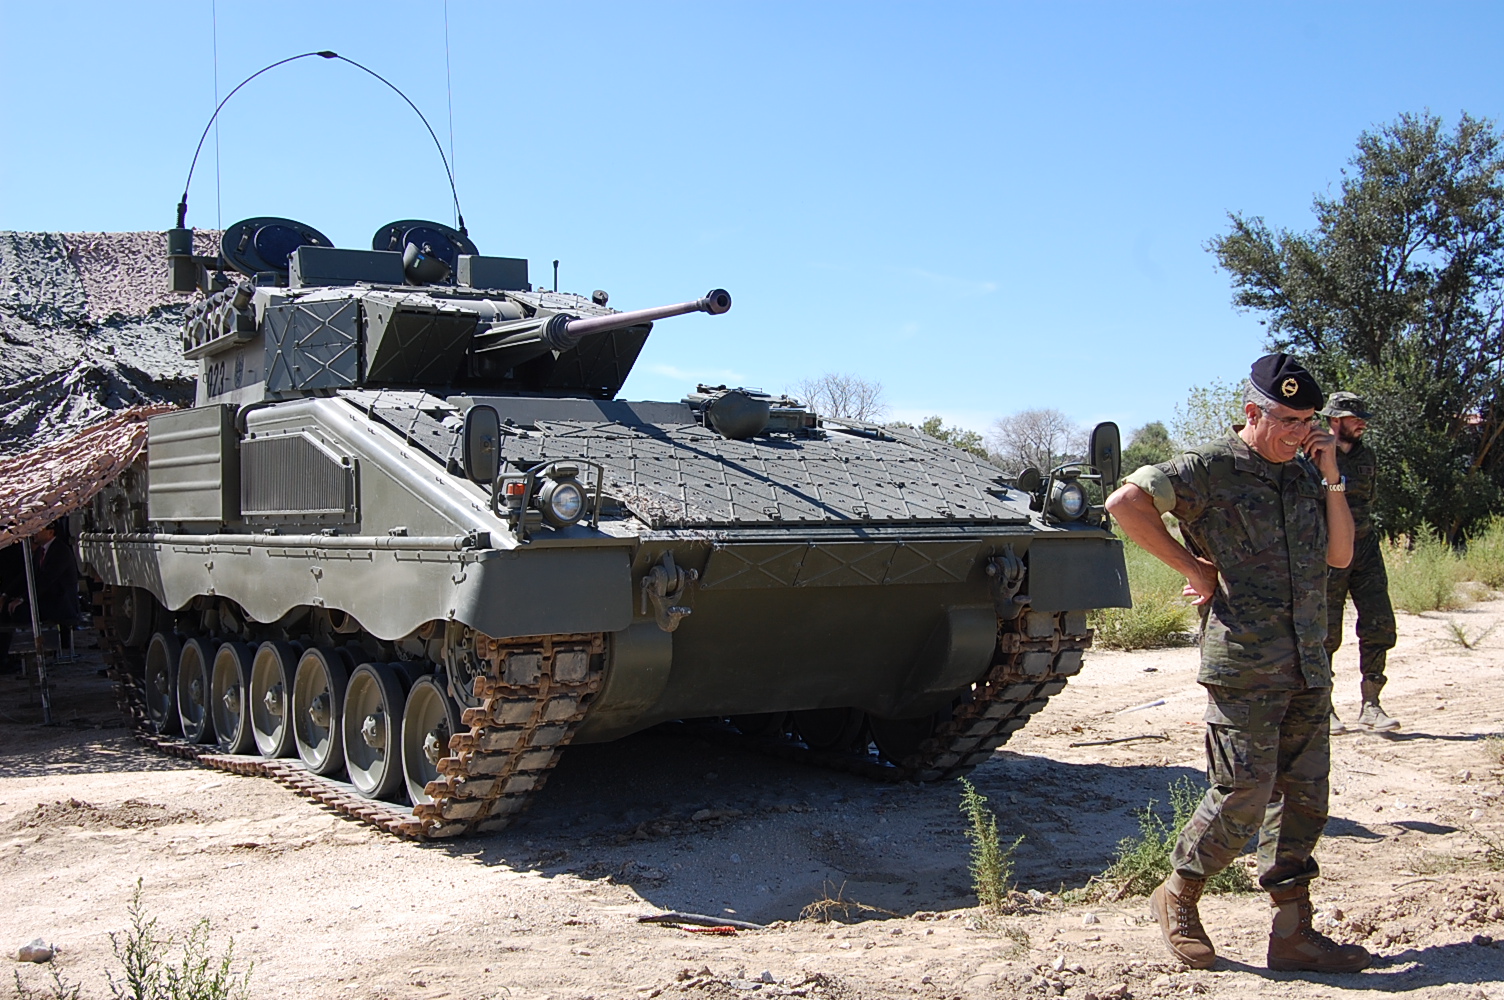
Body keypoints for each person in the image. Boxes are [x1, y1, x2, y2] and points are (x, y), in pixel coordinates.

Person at [1104, 354, 1370, 974]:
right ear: (1253, 412)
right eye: (1288, 420)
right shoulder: (1209, 468)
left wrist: (1330, 470)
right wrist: (1195, 568)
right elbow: (1124, 503)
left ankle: (1292, 931)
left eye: (1309, 421)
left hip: (1307, 660)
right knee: (1244, 795)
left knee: (1305, 798)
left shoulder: (1308, 473)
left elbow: (1339, 556)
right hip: (1244, 662)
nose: (1300, 431)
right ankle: (1177, 894)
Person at [1321, 392, 1399, 733]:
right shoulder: (1315, 454)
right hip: (1327, 551)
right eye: (1355, 417)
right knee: (1325, 632)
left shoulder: (1369, 456)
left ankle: (1372, 705)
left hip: (1365, 546)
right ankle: (1324, 707)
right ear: (1335, 420)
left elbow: (1369, 499)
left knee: (1379, 623)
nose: (1362, 422)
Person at [0, 520, 81, 672]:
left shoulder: (60, 552)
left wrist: (22, 599)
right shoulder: (40, 551)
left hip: (59, 604)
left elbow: (46, 581)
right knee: (5, 609)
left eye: (39, 530)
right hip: (45, 600)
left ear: (50, 532)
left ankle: (21, 653)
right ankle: (4, 657)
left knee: (18, 611)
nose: (35, 533)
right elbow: (27, 575)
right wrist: (6, 594)